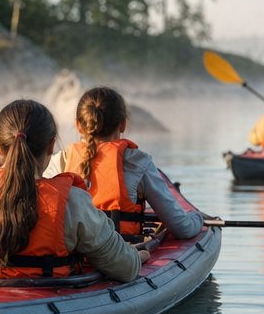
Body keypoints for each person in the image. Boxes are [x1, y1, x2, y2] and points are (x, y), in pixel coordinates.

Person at [0, 98, 146, 283]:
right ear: (51, 145)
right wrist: (139, 257)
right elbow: (126, 269)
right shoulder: (73, 201)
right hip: (45, 299)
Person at [44, 86, 204, 240]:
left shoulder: (60, 161)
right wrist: (197, 218)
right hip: (121, 252)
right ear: (123, 124)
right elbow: (182, 228)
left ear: (78, 125)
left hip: (73, 256)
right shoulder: (138, 162)